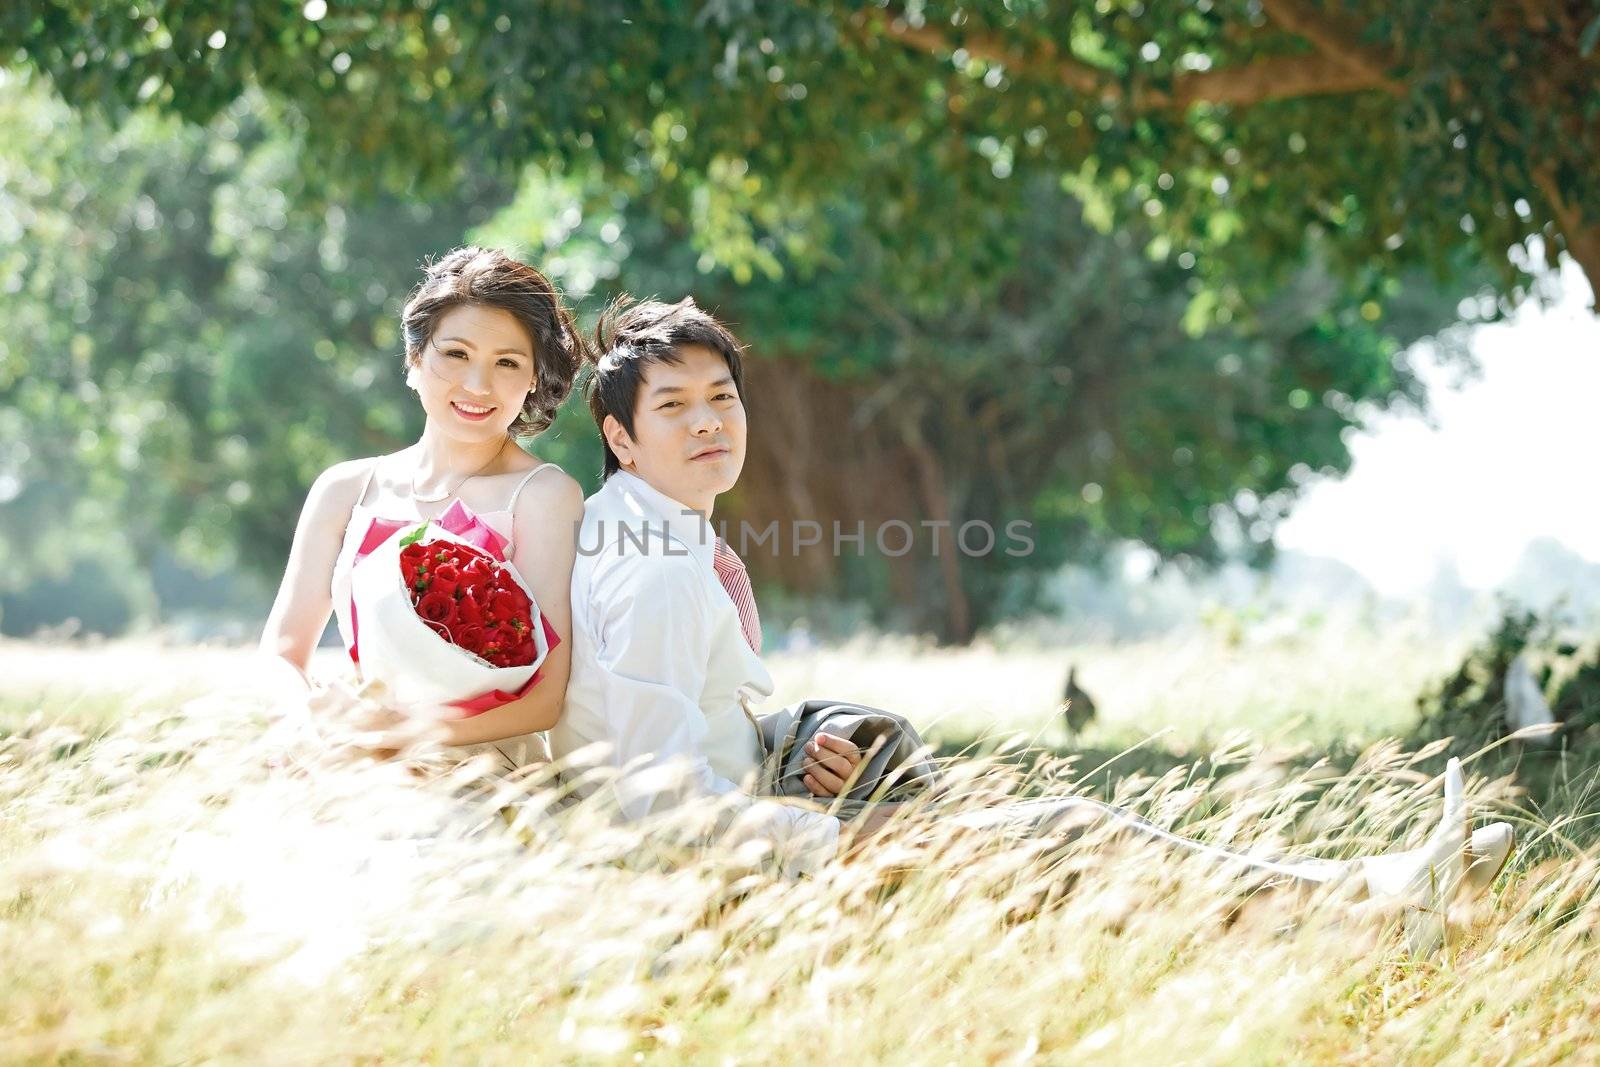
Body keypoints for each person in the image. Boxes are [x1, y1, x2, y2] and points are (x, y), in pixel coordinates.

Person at [553, 294, 1515, 952]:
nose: (709, 421)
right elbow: (655, 800)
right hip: (724, 885)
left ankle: (1374, 893)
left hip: (757, 840)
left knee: (1061, 842)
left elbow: (675, 723)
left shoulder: (654, 536)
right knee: (1070, 827)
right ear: (621, 436)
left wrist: (795, 742)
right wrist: (840, 838)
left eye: (722, 397)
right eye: (673, 406)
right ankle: (1376, 901)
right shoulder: (653, 569)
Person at [261, 247, 586, 771]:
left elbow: (545, 700)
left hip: (483, 776)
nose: (478, 386)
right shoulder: (345, 490)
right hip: (344, 758)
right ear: (415, 358)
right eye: (456, 354)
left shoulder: (544, 496)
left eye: (507, 363)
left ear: (532, 380)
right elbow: (282, 650)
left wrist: (403, 737)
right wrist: (316, 726)